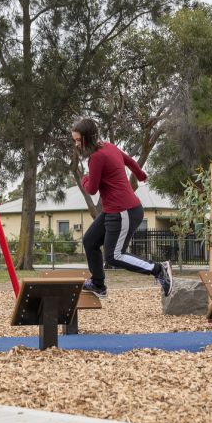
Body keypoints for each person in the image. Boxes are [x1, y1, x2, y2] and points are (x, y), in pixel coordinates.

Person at [72, 117, 173, 299]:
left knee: (114, 256)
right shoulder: (109, 146)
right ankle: (98, 284)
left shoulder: (96, 157)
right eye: (75, 140)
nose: (77, 144)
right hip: (114, 210)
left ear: (88, 137)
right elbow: (130, 161)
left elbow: (91, 189)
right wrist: (141, 175)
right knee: (89, 241)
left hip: (124, 211)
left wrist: (84, 178)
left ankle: (158, 269)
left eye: (79, 140)